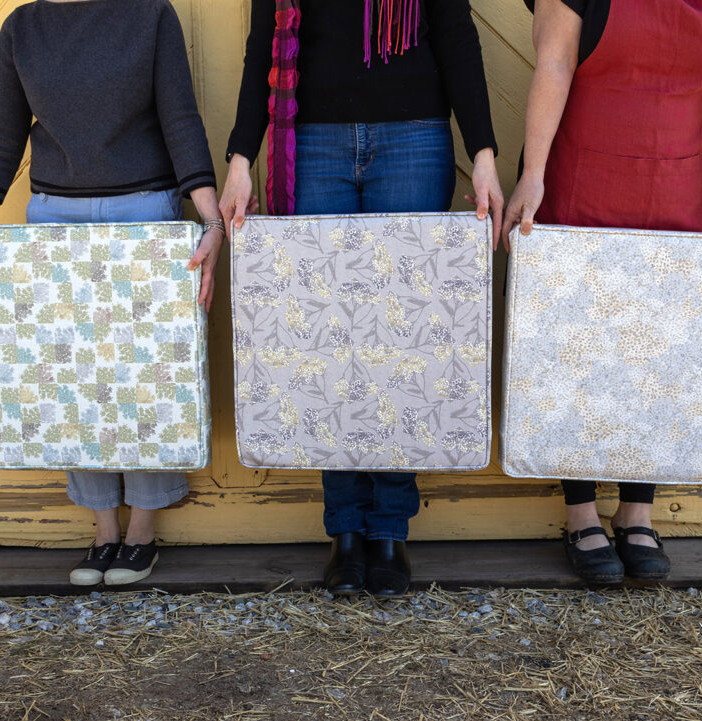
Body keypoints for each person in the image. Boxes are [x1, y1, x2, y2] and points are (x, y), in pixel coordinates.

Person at [220, 0, 504, 597]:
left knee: (401, 340)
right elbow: (261, 48)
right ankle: (345, 531)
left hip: (414, 140)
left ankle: (390, 532)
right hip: (312, 144)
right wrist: (242, 157)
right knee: (330, 342)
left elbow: (455, 35)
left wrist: (482, 154)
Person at [503, 0, 702, 584]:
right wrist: (533, 172)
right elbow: (553, 62)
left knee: (659, 347)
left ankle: (638, 512)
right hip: (580, 173)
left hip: (676, 182)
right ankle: (580, 513)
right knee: (576, 344)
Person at [0, 0, 225, 586]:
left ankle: (142, 531)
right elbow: (4, 136)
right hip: (52, 222)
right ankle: (103, 532)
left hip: (147, 213)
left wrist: (211, 223)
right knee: (72, 377)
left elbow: (180, 119)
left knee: (144, 374)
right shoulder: (23, 27)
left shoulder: (150, 15)